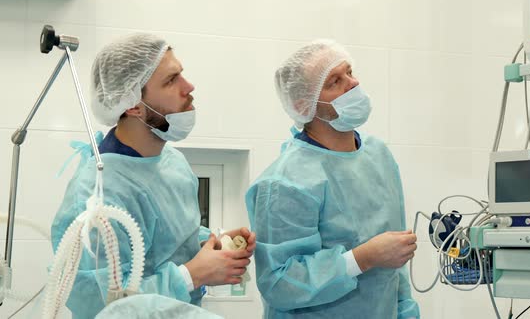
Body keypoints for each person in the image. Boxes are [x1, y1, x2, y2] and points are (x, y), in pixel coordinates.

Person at [51, 32, 256, 319]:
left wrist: (209, 245)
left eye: (181, 75)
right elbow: (98, 304)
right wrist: (191, 276)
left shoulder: (171, 161)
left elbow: (169, 240)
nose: (189, 87)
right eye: (171, 80)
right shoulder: (96, 195)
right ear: (133, 105)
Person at [245, 40, 420, 318]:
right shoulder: (285, 182)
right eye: (335, 81)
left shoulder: (378, 155)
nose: (352, 83)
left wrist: (406, 312)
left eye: (349, 72)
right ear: (305, 105)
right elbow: (279, 283)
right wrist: (363, 258)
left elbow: (393, 263)